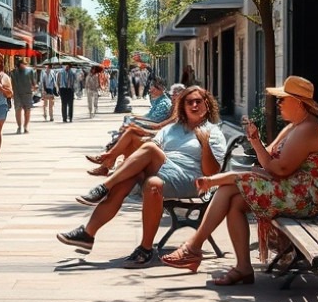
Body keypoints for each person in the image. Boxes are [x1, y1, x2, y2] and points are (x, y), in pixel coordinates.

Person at [161, 76, 318, 285]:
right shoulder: (295, 126)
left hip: (302, 198)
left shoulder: (308, 129)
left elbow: (278, 168)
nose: (278, 104)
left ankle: (193, 248)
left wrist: (258, 153)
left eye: (282, 100)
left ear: (298, 102)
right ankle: (240, 266)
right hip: (289, 190)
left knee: (228, 189)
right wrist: (255, 141)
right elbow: (267, 158)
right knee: (234, 203)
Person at [58, 86, 226, 268]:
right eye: (189, 102)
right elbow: (151, 148)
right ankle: (94, 236)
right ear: (183, 106)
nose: (194, 105)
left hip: (192, 180)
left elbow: (211, 173)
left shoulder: (213, 132)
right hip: (164, 173)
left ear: (207, 105)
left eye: (198, 101)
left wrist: (205, 144)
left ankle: (103, 187)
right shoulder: (172, 128)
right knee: (142, 179)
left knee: (148, 152)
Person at [85, 76, 174, 177]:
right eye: (151, 86)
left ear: (161, 88)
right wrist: (135, 118)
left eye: (153, 87)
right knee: (126, 130)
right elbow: (150, 117)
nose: (150, 89)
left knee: (127, 132)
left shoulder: (164, 103)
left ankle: (105, 161)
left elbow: (154, 122)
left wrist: (136, 122)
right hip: (153, 129)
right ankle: (106, 163)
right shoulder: (158, 101)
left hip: (155, 133)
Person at [10, 57, 37, 134]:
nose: (24, 65)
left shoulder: (29, 71)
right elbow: (11, 83)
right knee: (18, 110)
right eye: (22, 63)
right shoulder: (13, 72)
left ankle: (25, 127)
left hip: (27, 94)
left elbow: (33, 82)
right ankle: (19, 127)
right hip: (17, 94)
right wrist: (12, 93)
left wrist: (34, 87)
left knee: (27, 111)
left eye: (24, 63)